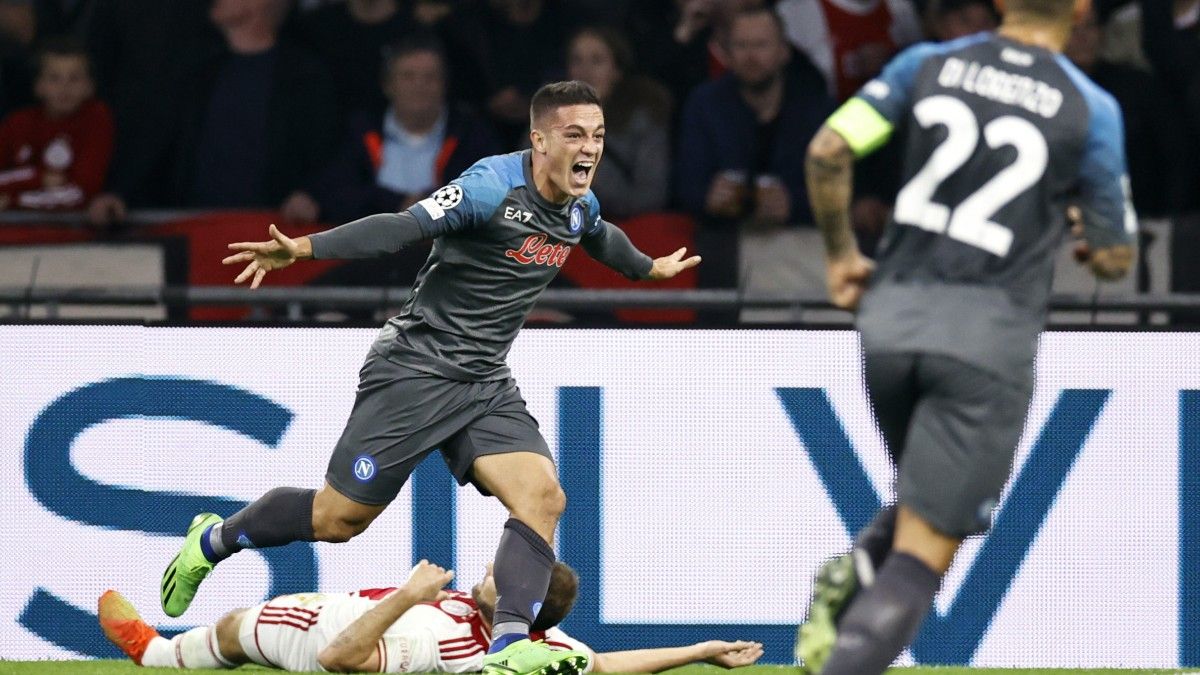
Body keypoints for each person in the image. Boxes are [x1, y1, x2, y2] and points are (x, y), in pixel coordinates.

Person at [158, 80, 701, 675]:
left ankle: (508, 647)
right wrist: (308, 248)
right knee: (337, 520)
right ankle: (215, 539)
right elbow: (402, 228)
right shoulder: (489, 188)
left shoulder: (579, 203)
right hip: (414, 369)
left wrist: (648, 268)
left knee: (543, 497)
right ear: (539, 139)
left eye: (598, 136)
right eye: (574, 135)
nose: (590, 148)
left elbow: (599, 235)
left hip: (484, 383)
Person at [796, 0, 1135, 672]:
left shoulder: (926, 63)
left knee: (921, 497)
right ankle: (862, 600)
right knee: (924, 556)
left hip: (888, 328)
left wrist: (840, 256)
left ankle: (862, 563)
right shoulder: (1090, 107)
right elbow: (1116, 255)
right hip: (984, 343)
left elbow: (829, 148)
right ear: (1081, 8)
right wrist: (1089, 243)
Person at [103, 560, 765, 673]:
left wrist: (406, 597)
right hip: (357, 613)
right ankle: (163, 650)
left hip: (322, 634)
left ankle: (151, 652)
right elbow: (604, 663)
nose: (493, 563)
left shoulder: (439, 636)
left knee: (236, 629)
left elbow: (341, 660)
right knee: (234, 630)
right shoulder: (531, 641)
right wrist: (700, 648)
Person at [312, 32, 500, 223]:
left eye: (430, 77)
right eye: (408, 77)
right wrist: (397, 204)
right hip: (370, 244)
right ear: (388, 85)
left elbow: (488, 193)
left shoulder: (470, 133)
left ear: (445, 85)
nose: (419, 85)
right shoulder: (360, 130)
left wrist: (428, 205)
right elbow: (335, 191)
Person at [565, 26, 672, 220]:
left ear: (617, 71)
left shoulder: (642, 121)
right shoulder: (549, 118)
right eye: (577, 60)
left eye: (596, 61)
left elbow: (651, 196)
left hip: (621, 231)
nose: (585, 72)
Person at [0, 36, 112, 210]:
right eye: (54, 78)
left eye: (74, 79)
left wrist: (15, 201)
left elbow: (82, 193)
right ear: (38, 86)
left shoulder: (96, 120)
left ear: (90, 87)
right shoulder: (18, 123)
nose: (64, 87)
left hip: (75, 233)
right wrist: (39, 178)